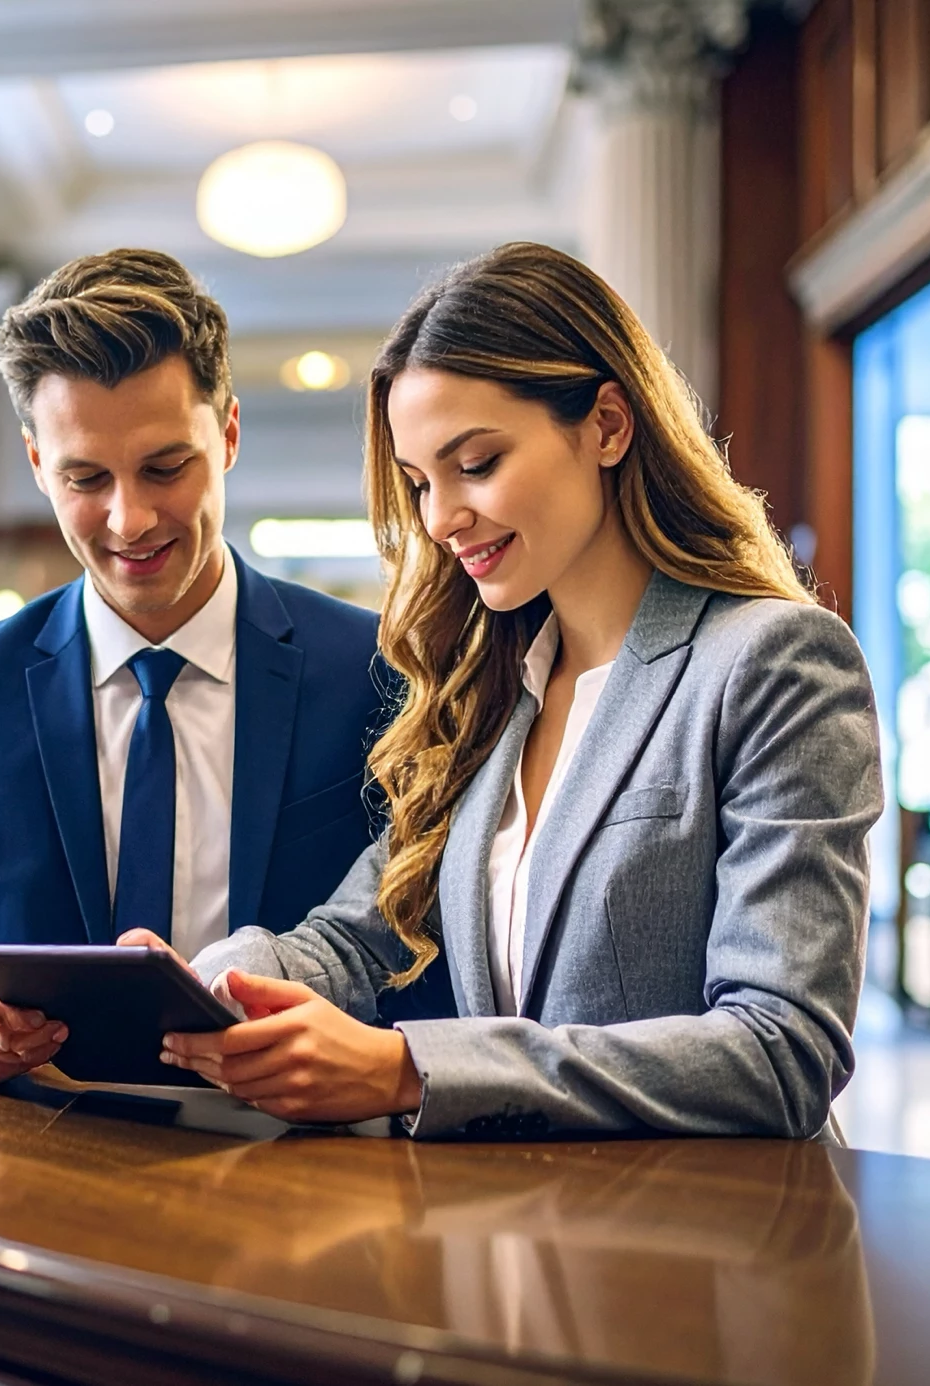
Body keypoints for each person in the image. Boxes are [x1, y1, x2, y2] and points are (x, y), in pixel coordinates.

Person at [153, 242, 883, 1140]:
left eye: (478, 463)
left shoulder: (772, 662)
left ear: (608, 425)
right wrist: (211, 984)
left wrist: (408, 1068)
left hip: (714, 1253)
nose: (440, 517)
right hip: (522, 1242)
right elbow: (352, 938)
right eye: (420, 482)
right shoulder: (490, 696)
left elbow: (781, 1050)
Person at [0, 248, 401, 1088]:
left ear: (227, 435)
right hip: (32, 1154)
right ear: (36, 465)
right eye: (86, 477)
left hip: (299, 1158)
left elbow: (418, 937)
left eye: (166, 467)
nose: (131, 519)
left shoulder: (376, 670)